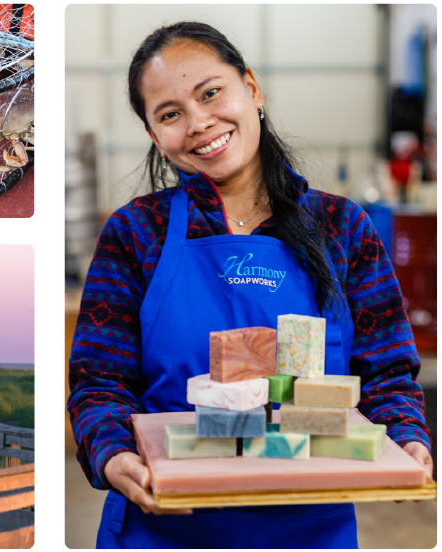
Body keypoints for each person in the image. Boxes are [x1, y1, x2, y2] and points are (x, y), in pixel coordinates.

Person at [67, 22, 432, 549]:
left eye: (210, 92)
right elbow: (99, 381)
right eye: (170, 114)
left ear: (252, 89)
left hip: (310, 530)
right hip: (163, 525)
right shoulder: (135, 233)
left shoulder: (342, 228)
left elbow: (388, 374)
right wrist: (114, 453)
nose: (198, 123)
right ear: (154, 136)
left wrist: (406, 439)